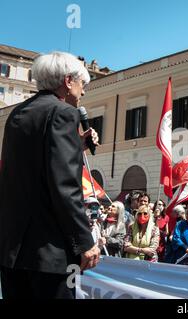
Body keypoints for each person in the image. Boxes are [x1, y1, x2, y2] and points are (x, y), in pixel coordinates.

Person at [0, 52, 100, 299]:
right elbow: (64, 186)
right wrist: (85, 242)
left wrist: (76, 145)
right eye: (82, 84)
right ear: (68, 81)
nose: (83, 92)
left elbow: (35, 166)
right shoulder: (65, 113)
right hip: (49, 254)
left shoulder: (17, 114)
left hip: (12, 251)